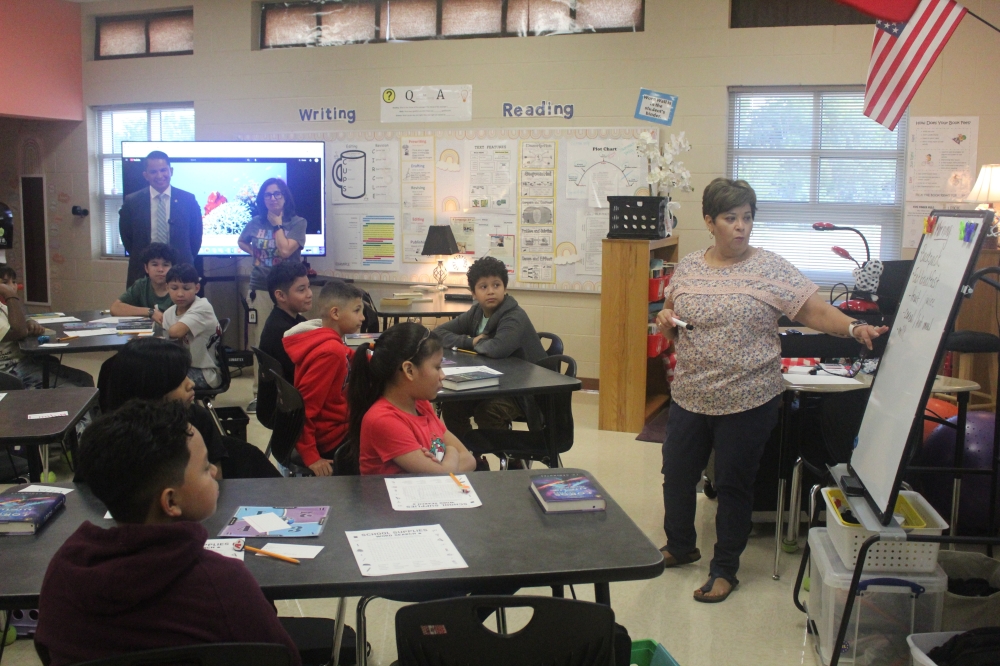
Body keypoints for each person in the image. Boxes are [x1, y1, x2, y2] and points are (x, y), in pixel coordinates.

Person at [655, 178, 888, 603]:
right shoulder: (687, 266)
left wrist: (855, 328)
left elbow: (815, 311)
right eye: (730, 218)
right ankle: (680, 545)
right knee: (678, 475)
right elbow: (672, 317)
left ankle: (725, 569)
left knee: (733, 484)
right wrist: (665, 321)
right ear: (709, 221)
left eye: (747, 218)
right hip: (691, 394)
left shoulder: (770, 268)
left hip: (748, 398)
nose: (741, 227)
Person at [34, 400, 300, 666]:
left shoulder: (64, 571)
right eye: (205, 467)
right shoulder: (224, 584)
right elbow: (284, 658)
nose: (215, 470)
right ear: (170, 501)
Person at [102, 337, 280, 480]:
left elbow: (216, 480)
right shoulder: (115, 441)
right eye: (179, 380)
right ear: (150, 389)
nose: (191, 383)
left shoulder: (196, 419)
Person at [433, 256, 546, 437]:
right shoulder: (476, 313)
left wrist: (475, 343)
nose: (491, 291)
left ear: (505, 288)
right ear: (473, 293)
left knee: (489, 411)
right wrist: (469, 342)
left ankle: (502, 451)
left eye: (496, 285)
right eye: (483, 287)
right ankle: (468, 451)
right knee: (452, 405)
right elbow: (438, 333)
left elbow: (496, 348)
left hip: (523, 390)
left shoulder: (514, 315)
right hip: (492, 382)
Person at [346, 322, 477, 476]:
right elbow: (440, 477)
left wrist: (445, 466)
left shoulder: (421, 404)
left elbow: (469, 460)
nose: (442, 375)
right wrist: (452, 451)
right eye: (437, 367)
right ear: (409, 370)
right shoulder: (383, 420)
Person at [238, 178, 308, 413]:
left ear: (285, 197)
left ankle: (290, 390)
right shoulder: (255, 222)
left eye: (277, 194)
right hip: (260, 286)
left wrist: (278, 225)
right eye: (268, 195)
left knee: (291, 337)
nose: (273, 199)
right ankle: (260, 394)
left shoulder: (297, 222)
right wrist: (255, 253)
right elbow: (241, 241)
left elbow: (286, 250)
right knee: (261, 340)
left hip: (288, 289)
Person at [282, 280, 364, 476]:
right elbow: (305, 408)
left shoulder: (327, 340)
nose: (362, 317)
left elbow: (348, 355)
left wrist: (375, 360)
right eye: (357, 311)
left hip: (333, 427)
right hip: (330, 438)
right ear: (335, 313)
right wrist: (311, 456)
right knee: (385, 435)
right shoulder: (330, 352)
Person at [119, 150, 202, 288]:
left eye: (163, 170)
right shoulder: (132, 202)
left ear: (171, 171)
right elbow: (127, 237)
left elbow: (196, 237)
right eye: (153, 172)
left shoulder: (188, 200)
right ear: (146, 175)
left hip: (180, 271)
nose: (159, 176)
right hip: (143, 272)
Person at [0, 267, 93, 389]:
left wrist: (29, 321)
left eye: (13, 282)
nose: (12, 287)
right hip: (9, 370)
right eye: (5, 283)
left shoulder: (3, 305)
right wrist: (10, 295)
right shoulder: (9, 298)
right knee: (72, 390)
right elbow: (19, 331)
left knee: (85, 379)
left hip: (25, 361)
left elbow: (20, 318)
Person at [162, 263, 221, 390]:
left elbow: (175, 332)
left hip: (205, 373)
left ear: (197, 288)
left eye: (186, 288)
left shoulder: (203, 307)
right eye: (174, 288)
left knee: (158, 381)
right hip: (183, 367)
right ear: (167, 288)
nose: (180, 294)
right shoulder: (168, 313)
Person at [260, 260, 313, 383]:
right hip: (289, 393)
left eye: (308, 287)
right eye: (301, 290)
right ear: (281, 296)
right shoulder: (282, 331)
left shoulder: (297, 320)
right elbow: (306, 373)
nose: (309, 294)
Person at [110, 242, 176, 324]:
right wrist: (151, 312)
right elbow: (115, 308)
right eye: (155, 264)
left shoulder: (179, 287)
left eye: (165, 265)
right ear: (146, 268)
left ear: (172, 268)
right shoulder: (141, 285)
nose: (160, 269)